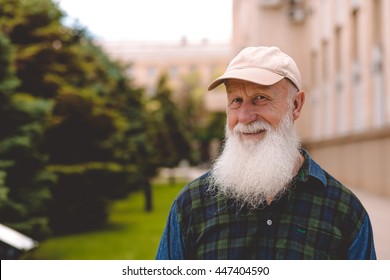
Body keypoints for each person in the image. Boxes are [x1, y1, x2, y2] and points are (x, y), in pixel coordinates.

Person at [155, 46, 376, 260]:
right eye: (236, 100)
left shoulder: (344, 211)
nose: (244, 117)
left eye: (260, 98)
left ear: (296, 105)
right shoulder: (191, 205)